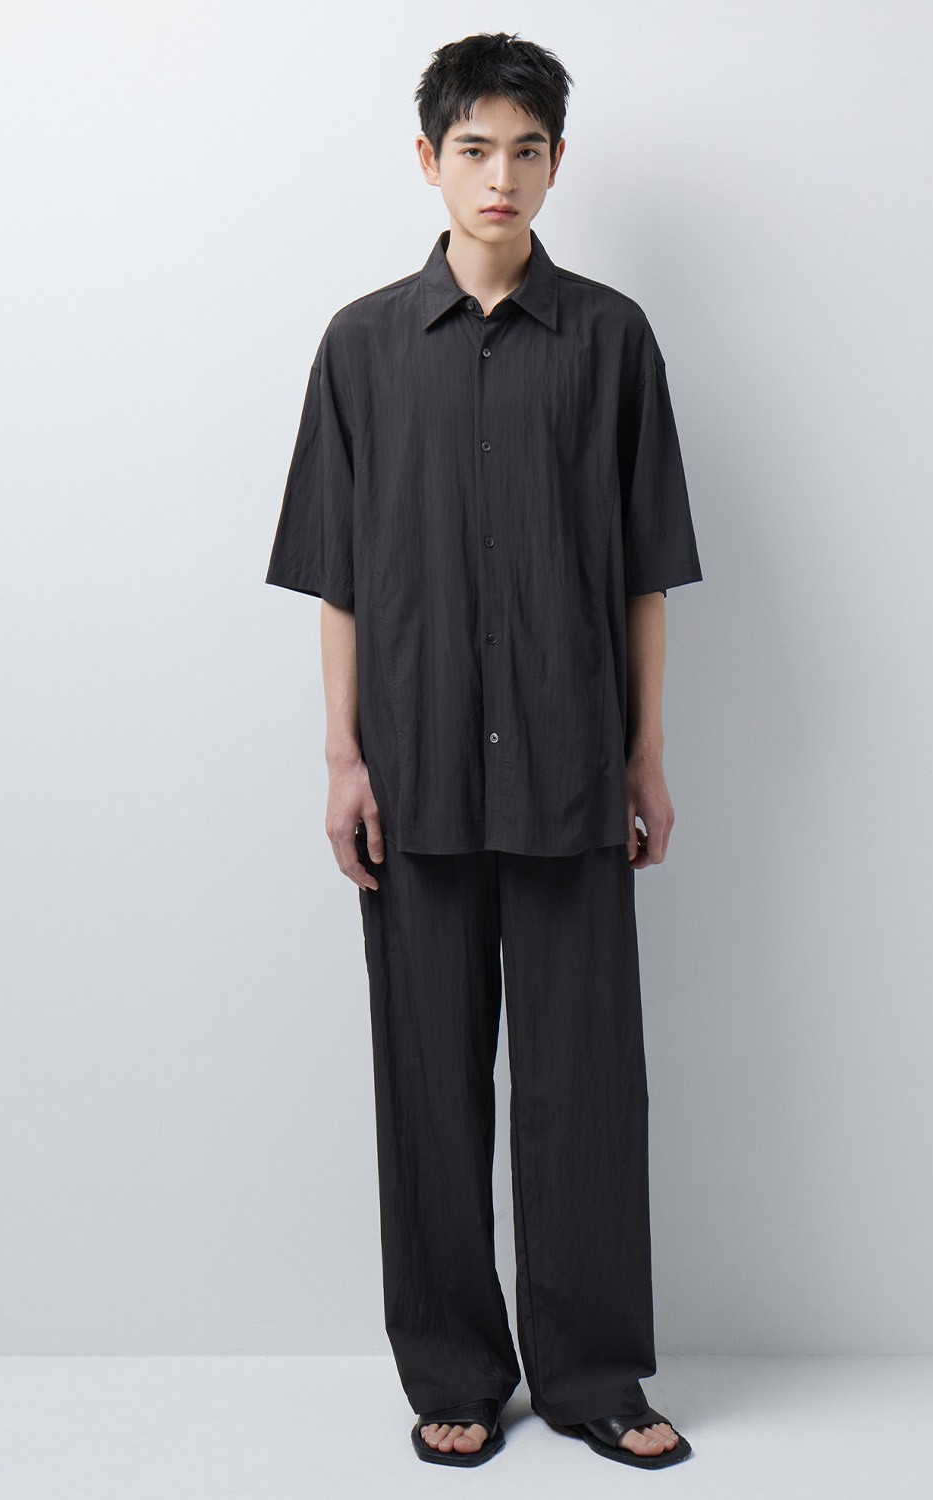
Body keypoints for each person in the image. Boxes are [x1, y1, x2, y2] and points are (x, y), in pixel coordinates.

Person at [265, 30, 702, 1471]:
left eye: (525, 150)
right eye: (473, 149)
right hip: (420, 773)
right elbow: (337, 578)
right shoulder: (361, 348)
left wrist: (645, 754)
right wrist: (343, 759)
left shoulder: (615, 340)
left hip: (573, 767)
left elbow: (642, 571)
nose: (499, 175)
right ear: (428, 160)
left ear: (557, 164)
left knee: (586, 1092)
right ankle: (454, 1368)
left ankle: (595, 1376)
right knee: (429, 1094)